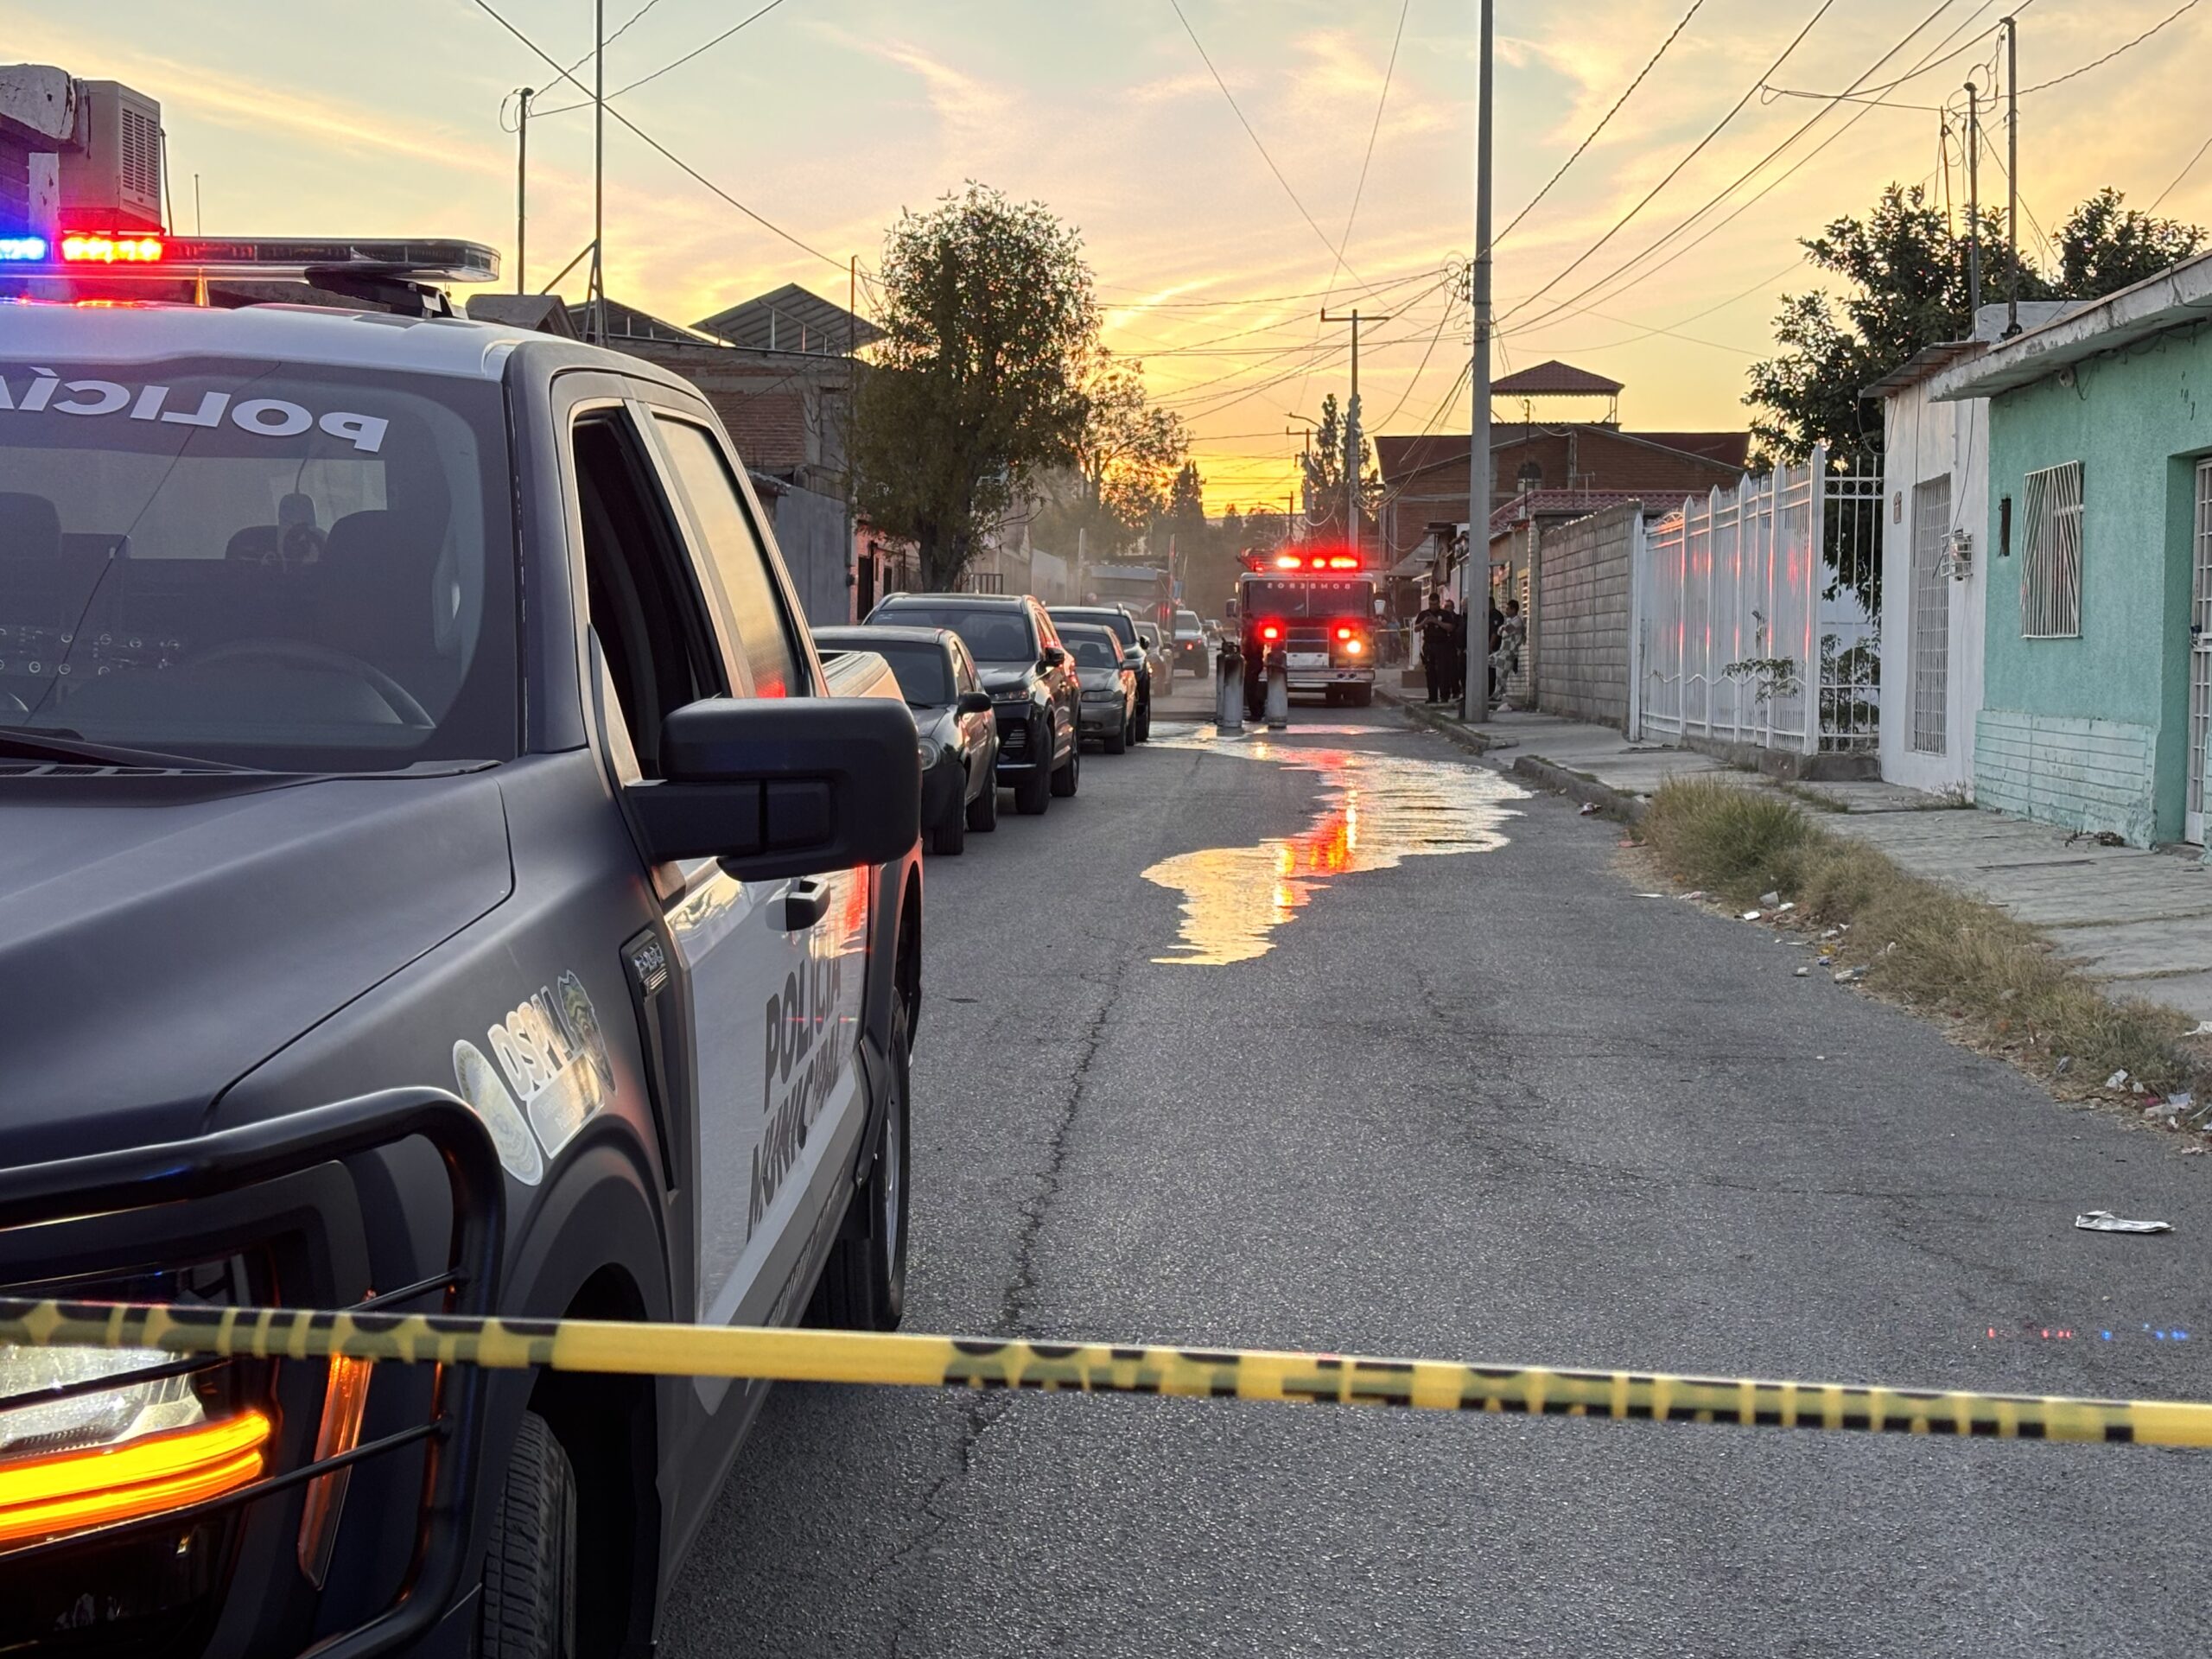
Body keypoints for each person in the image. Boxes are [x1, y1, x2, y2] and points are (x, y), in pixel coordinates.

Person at [1414, 593, 1452, 702]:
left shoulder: (1444, 614)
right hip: (1429, 645)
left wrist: (1437, 622)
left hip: (1442, 645)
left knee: (1443, 671)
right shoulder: (1424, 614)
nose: (1433, 606)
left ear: (1439, 603)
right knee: (1430, 671)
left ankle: (1444, 696)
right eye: (1431, 604)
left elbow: (1450, 627)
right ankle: (1432, 696)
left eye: (1435, 604)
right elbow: (1416, 629)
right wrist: (1425, 622)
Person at [1491, 597, 1524, 706]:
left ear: (1514, 610)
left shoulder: (1517, 621)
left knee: (1501, 674)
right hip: (1502, 652)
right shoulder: (1509, 621)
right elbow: (1500, 631)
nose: (1506, 611)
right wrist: (1503, 629)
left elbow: (1505, 631)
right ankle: (1495, 693)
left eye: (1508, 609)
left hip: (1509, 653)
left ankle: (1498, 695)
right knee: (1490, 665)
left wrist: (1503, 629)